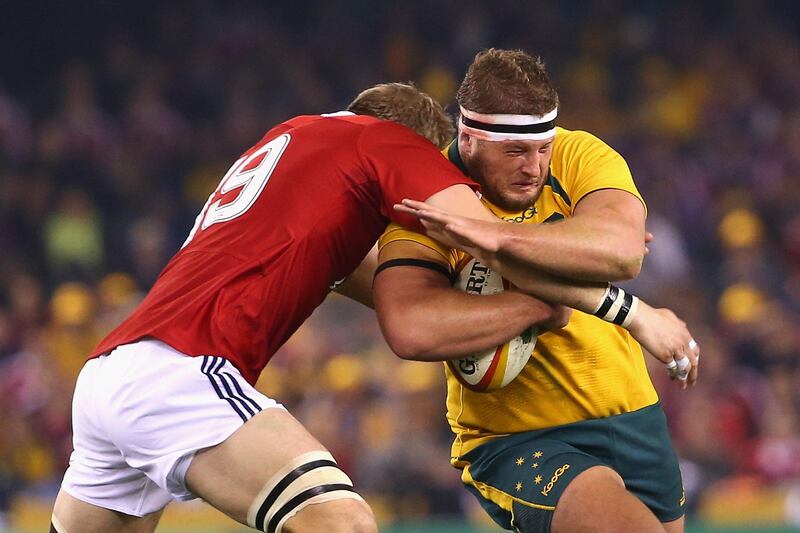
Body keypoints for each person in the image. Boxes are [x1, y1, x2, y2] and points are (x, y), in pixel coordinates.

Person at [50, 83, 501, 533]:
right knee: (342, 523)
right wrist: (554, 302)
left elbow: (397, 292)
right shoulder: (387, 140)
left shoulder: (293, 148)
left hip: (114, 370)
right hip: (183, 372)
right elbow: (494, 240)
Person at [372, 49, 700, 533]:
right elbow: (410, 328)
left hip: (632, 414)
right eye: (515, 152)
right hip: (515, 436)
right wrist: (538, 301)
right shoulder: (426, 202)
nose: (535, 167)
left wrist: (496, 239)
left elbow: (623, 252)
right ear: (468, 137)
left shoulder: (579, 153)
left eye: (541, 148)